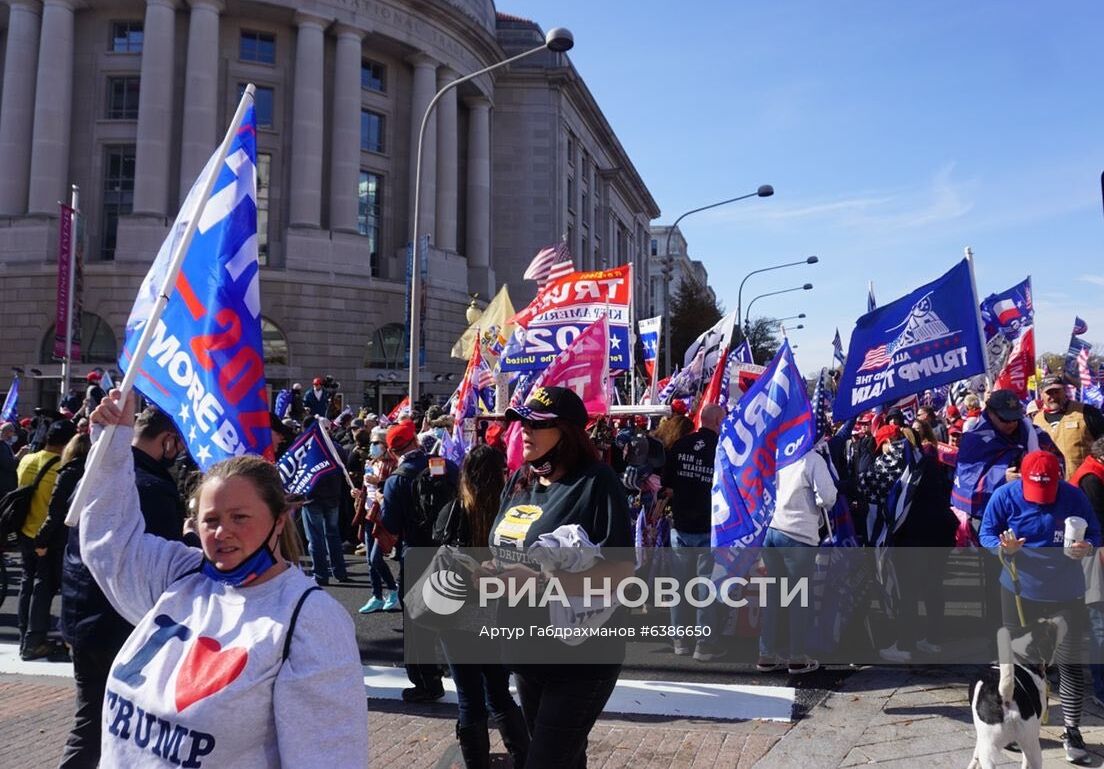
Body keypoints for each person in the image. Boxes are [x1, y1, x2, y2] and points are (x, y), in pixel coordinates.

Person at [79, 389, 368, 767]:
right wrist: (113, 443)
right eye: (211, 520)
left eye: (240, 518)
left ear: (279, 521)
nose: (222, 532)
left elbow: (329, 757)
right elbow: (110, 544)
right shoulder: (182, 575)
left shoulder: (309, 621)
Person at [489, 386, 634, 769]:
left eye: (538, 425)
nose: (524, 431)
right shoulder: (521, 480)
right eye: (521, 423)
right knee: (565, 759)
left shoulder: (597, 482)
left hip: (582, 657)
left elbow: (620, 575)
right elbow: (505, 551)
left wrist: (539, 582)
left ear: (567, 432)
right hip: (525, 650)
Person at [57, 406, 188, 768]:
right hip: (121, 625)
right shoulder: (150, 489)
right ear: (166, 441)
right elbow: (156, 568)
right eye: (177, 444)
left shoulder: (100, 476)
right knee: (112, 725)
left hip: (82, 616)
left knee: (90, 719)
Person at [980, 450, 1100, 765]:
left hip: (1066, 592)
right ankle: (1025, 727)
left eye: (1048, 493)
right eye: (1035, 494)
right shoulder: (1005, 496)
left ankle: (1071, 729)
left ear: (1059, 477)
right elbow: (986, 534)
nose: (1042, 501)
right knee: (1023, 664)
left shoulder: (1074, 497)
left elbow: (1097, 535)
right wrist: (1002, 548)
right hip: (1020, 591)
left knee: (1070, 663)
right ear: (1022, 478)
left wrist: (1087, 549)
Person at [436, 445, 529, 769]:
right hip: (495, 612)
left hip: (455, 614)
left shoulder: (453, 511)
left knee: (469, 699)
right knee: (499, 694)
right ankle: (524, 758)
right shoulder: (509, 516)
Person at [380, 418, 458, 702]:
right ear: (416, 441)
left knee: (416, 623)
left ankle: (426, 682)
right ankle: (462, 672)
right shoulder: (445, 466)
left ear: (392, 452)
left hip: (416, 552)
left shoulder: (396, 479)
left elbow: (391, 523)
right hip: (449, 551)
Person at [758, 442, 837, 674]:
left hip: (771, 529)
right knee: (799, 598)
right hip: (798, 534)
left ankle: (766, 653)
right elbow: (828, 497)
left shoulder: (774, 454)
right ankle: (797, 656)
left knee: (774, 595)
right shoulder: (811, 459)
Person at [660, 404, 724, 660]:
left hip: (681, 525)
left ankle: (680, 640)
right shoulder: (722, 449)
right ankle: (704, 645)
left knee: (679, 587)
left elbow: (667, 484)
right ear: (718, 421)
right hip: (708, 528)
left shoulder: (681, 446)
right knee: (704, 588)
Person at [16, 418, 75, 660]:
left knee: (27, 583)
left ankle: (25, 635)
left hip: (24, 531)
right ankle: (35, 639)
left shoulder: (27, 459)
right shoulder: (60, 467)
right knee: (43, 588)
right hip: (46, 536)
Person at [1070, 437, 1104, 709]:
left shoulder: (1094, 472)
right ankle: (1101, 689)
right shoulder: (1091, 479)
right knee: (1099, 624)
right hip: (1094, 560)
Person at [300, 418, 350, 586]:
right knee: (333, 535)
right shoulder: (336, 448)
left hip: (312, 498)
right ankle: (340, 571)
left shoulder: (307, 449)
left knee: (315, 537)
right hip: (333, 497)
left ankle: (321, 575)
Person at [357, 426, 399, 614]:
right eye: (371, 443)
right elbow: (367, 490)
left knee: (376, 558)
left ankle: (393, 588)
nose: (372, 446)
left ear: (385, 445)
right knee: (369, 560)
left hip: (382, 516)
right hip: (368, 513)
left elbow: (391, 487)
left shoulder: (393, 464)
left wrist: (378, 482)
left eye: (376, 443)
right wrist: (358, 493)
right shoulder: (370, 463)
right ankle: (376, 596)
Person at [1033, 374, 1104, 479]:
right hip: (1051, 485)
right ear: (1041, 394)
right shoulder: (1036, 420)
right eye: (1049, 393)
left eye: (1057, 391)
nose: (1053, 397)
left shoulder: (1087, 412)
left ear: (1065, 391)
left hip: (1084, 484)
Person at [0, 420, 18, 498]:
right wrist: (20, 455)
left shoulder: (5, 444)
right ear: (8, 432)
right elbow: (10, 465)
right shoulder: (1, 445)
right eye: (13, 432)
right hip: (3, 485)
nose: (13, 434)